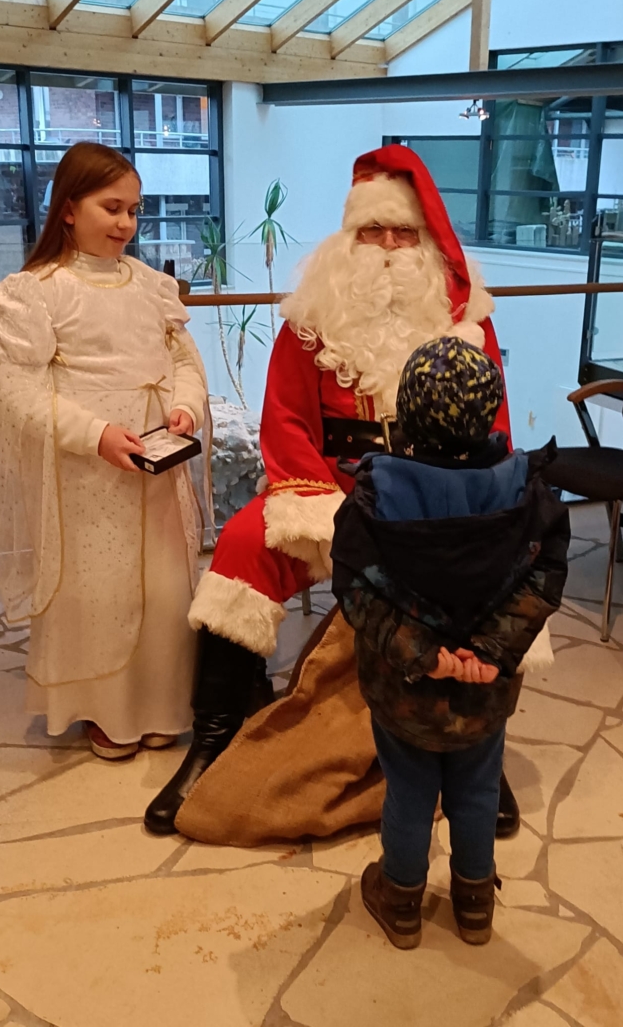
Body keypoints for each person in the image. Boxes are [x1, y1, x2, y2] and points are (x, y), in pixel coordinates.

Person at [145, 143, 546, 837]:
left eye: (402, 233)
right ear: (348, 236)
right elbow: (285, 419)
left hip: (433, 487)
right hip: (329, 483)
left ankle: (479, 742)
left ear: (423, 242)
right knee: (243, 545)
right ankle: (216, 735)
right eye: (372, 232)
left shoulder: (464, 322)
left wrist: (463, 506)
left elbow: (493, 424)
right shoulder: (311, 317)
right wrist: (315, 502)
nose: (388, 248)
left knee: (480, 566)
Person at [0, 142, 208, 760]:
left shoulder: (152, 286)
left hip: (155, 455)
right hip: (87, 467)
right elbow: (16, 390)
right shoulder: (35, 291)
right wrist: (92, 434)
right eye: (111, 208)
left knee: (164, 587)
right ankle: (106, 709)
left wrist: (185, 406)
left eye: (135, 211)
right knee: (100, 590)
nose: (126, 224)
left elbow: (181, 360)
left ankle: (163, 702)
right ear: (69, 209)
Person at [330, 336, 570, 948]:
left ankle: (402, 903)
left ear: (405, 414)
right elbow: (544, 579)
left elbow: (357, 587)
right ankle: (473, 906)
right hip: (486, 691)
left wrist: (422, 654)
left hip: (405, 687)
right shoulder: (528, 494)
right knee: (477, 789)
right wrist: (489, 652)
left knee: (409, 791)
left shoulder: (373, 497)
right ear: (490, 414)